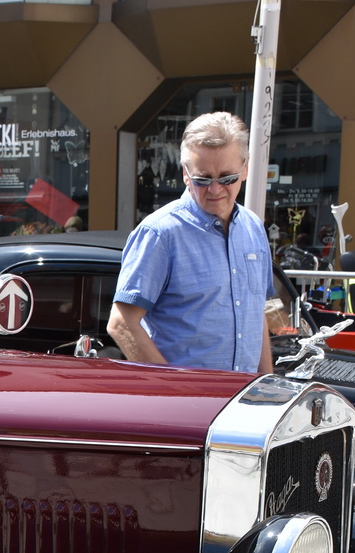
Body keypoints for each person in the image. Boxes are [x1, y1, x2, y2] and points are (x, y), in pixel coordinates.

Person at [108, 111, 273, 374]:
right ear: (186, 174)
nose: (216, 189)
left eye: (227, 178)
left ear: (246, 169)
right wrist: (175, 390)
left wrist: (267, 387)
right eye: (202, 179)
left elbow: (256, 315)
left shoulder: (252, 227)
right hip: (186, 406)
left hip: (244, 401)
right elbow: (121, 323)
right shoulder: (160, 233)